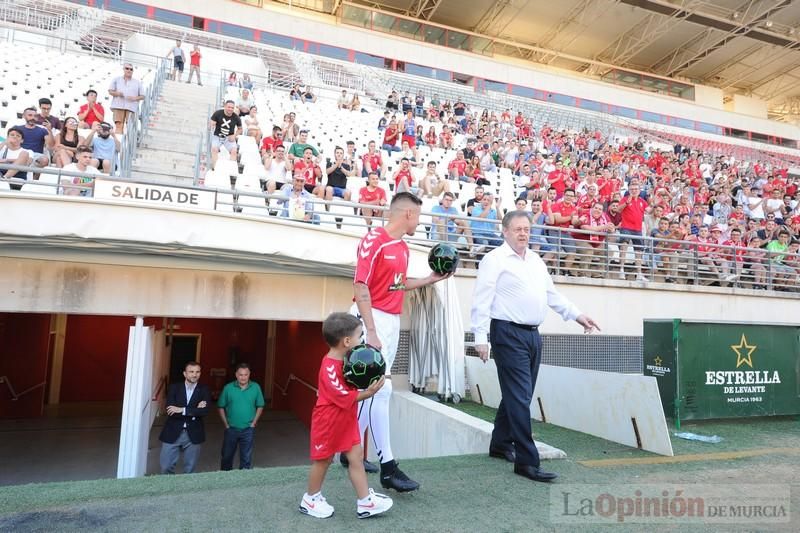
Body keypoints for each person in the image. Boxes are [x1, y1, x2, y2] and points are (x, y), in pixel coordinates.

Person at [471, 210, 600, 483]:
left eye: (527, 229)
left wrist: (578, 315)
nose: (523, 233)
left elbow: (552, 295)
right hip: (506, 333)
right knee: (519, 396)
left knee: (520, 394)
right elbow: (481, 300)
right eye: (517, 229)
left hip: (532, 334)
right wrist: (480, 338)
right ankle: (527, 462)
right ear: (505, 232)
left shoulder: (536, 261)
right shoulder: (493, 260)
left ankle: (500, 444)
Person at [349, 192, 452, 492]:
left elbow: (399, 284)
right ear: (407, 214)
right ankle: (388, 467)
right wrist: (371, 330)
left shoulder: (404, 248)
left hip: (390, 321)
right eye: (418, 216)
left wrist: (430, 280)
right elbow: (360, 284)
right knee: (381, 391)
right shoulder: (373, 240)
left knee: (375, 391)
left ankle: (350, 452)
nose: (419, 222)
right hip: (372, 320)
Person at [299, 312, 393, 520]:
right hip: (328, 420)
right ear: (347, 341)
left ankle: (365, 502)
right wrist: (368, 393)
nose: (362, 341)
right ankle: (310, 499)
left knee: (356, 457)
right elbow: (341, 394)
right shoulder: (329, 367)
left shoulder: (347, 359)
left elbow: (352, 381)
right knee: (323, 461)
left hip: (346, 418)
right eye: (360, 336)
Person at [158, 361, 210, 474]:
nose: (194, 374)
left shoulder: (204, 389)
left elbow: (205, 411)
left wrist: (182, 409)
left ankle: (185, 491)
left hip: (194, 432)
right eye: (191, 372)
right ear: (185, 374)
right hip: (173, 431)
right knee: (165, 467)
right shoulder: (174, 388)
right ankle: (167, 490)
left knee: (190, 469)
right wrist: (195, 409)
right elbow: (170, 410)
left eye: (197, 372)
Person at [217, 363, 265, 471]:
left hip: (248, 429)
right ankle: (225, 480)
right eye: (240, 375)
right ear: (236, 375)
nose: (243, 377)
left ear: (249, 375)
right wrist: (226, 425)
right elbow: (220, 406)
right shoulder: (228, 388)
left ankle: (243, 483)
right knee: (226, 457)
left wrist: (254, 423)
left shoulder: (256, 387)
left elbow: (260, 406)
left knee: (246, 458)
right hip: (231, 429)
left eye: (245, 375)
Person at [108, 63, 144, 134]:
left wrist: (135, 98)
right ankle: (119, 143)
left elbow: (143, 96)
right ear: (123, 69)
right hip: (118, 105)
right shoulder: (116, 79)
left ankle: (128, 144)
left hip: (131, 107)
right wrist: (117, 93)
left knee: (130, 127)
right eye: (127, 68)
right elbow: (110, 91)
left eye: (131, 69)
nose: (129, 70)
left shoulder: (137, 82)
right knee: (118, 125)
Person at [208, 100, 241, 168]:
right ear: (225, 106)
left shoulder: (236, 117)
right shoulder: (218, 113)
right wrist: (211, 124)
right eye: (229, 107)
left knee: (234, 151)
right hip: (217, 136)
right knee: (214, 149)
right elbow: (211, 123)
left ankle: (230, 169)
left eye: (232, 108)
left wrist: (234, 136)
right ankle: (215, 168)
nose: (230, 109)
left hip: (229, 137)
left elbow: (240, 129)